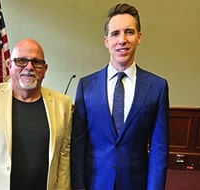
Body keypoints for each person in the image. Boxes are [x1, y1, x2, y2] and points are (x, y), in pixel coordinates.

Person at [71, 3, 169, 190]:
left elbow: (159, 150)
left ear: (139, 37)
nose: (122, 40)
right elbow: (78, 146)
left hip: (136, 183)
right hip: (95, 182)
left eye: (129, 32)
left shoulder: (157, 87)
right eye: (115, 33)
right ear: (106, 41)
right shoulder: (86, 86)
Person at [0, 38, 72, 190]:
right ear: (9, 66)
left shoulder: (63, 104)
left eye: (36, 62)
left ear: (45, 69)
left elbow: (63, 160)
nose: (29, 67)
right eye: (21, 61)